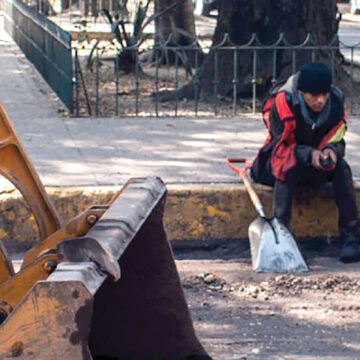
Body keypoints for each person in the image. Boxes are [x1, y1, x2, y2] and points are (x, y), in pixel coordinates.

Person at [250, 62, 360, 263]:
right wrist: (309, 154)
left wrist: (331, 151)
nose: (320, 100)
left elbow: (338, 137)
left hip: (316, 166)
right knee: (287, 164)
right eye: (314, 96)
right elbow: (280, 145)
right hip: (278, 164)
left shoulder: (335, 102)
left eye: (324, 95)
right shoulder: (284, 102)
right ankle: (283, 236)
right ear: (301, 92)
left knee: (342, 169)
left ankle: (350, 238)